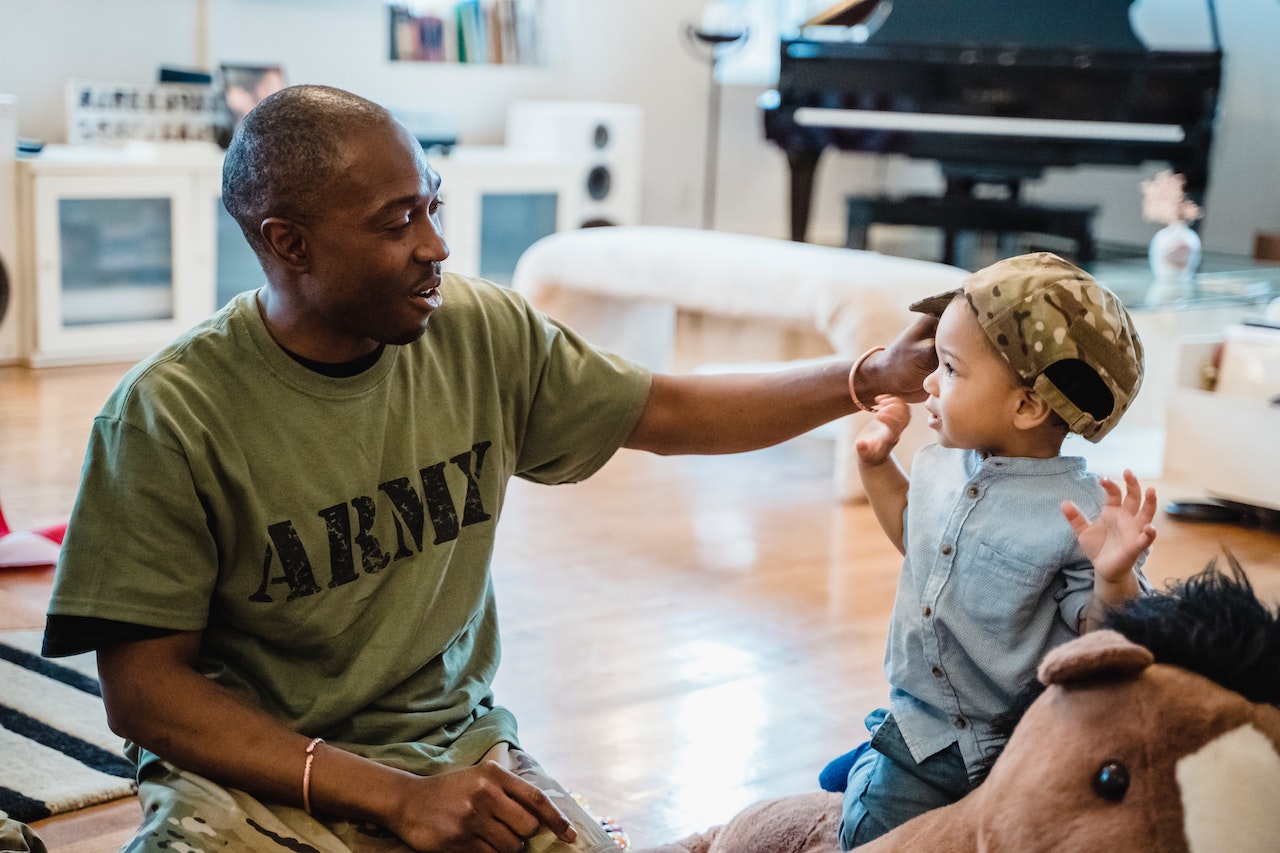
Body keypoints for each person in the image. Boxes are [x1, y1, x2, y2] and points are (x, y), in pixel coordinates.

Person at [40, 84, 939, 853]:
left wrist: (870, 375)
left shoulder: (477, 331)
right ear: (289, 243)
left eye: (432, 204)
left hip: (450, 750)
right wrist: (389, 798)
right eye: (398, 222)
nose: (435, 244)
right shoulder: (170, 414)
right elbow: (145, 692)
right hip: (254, 774)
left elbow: (665, 410)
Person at [820, 252, 1159, 848]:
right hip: (923, 721)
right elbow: (913, 536)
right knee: (870, 833)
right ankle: (880, 754)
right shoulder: (939, 462)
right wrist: (878, 468)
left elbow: (1103, 637)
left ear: (1027, 406)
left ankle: (874, 761)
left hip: (1013, 739)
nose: (926, 382)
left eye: (949, 369)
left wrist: (1114, 575)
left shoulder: (1078, 512)